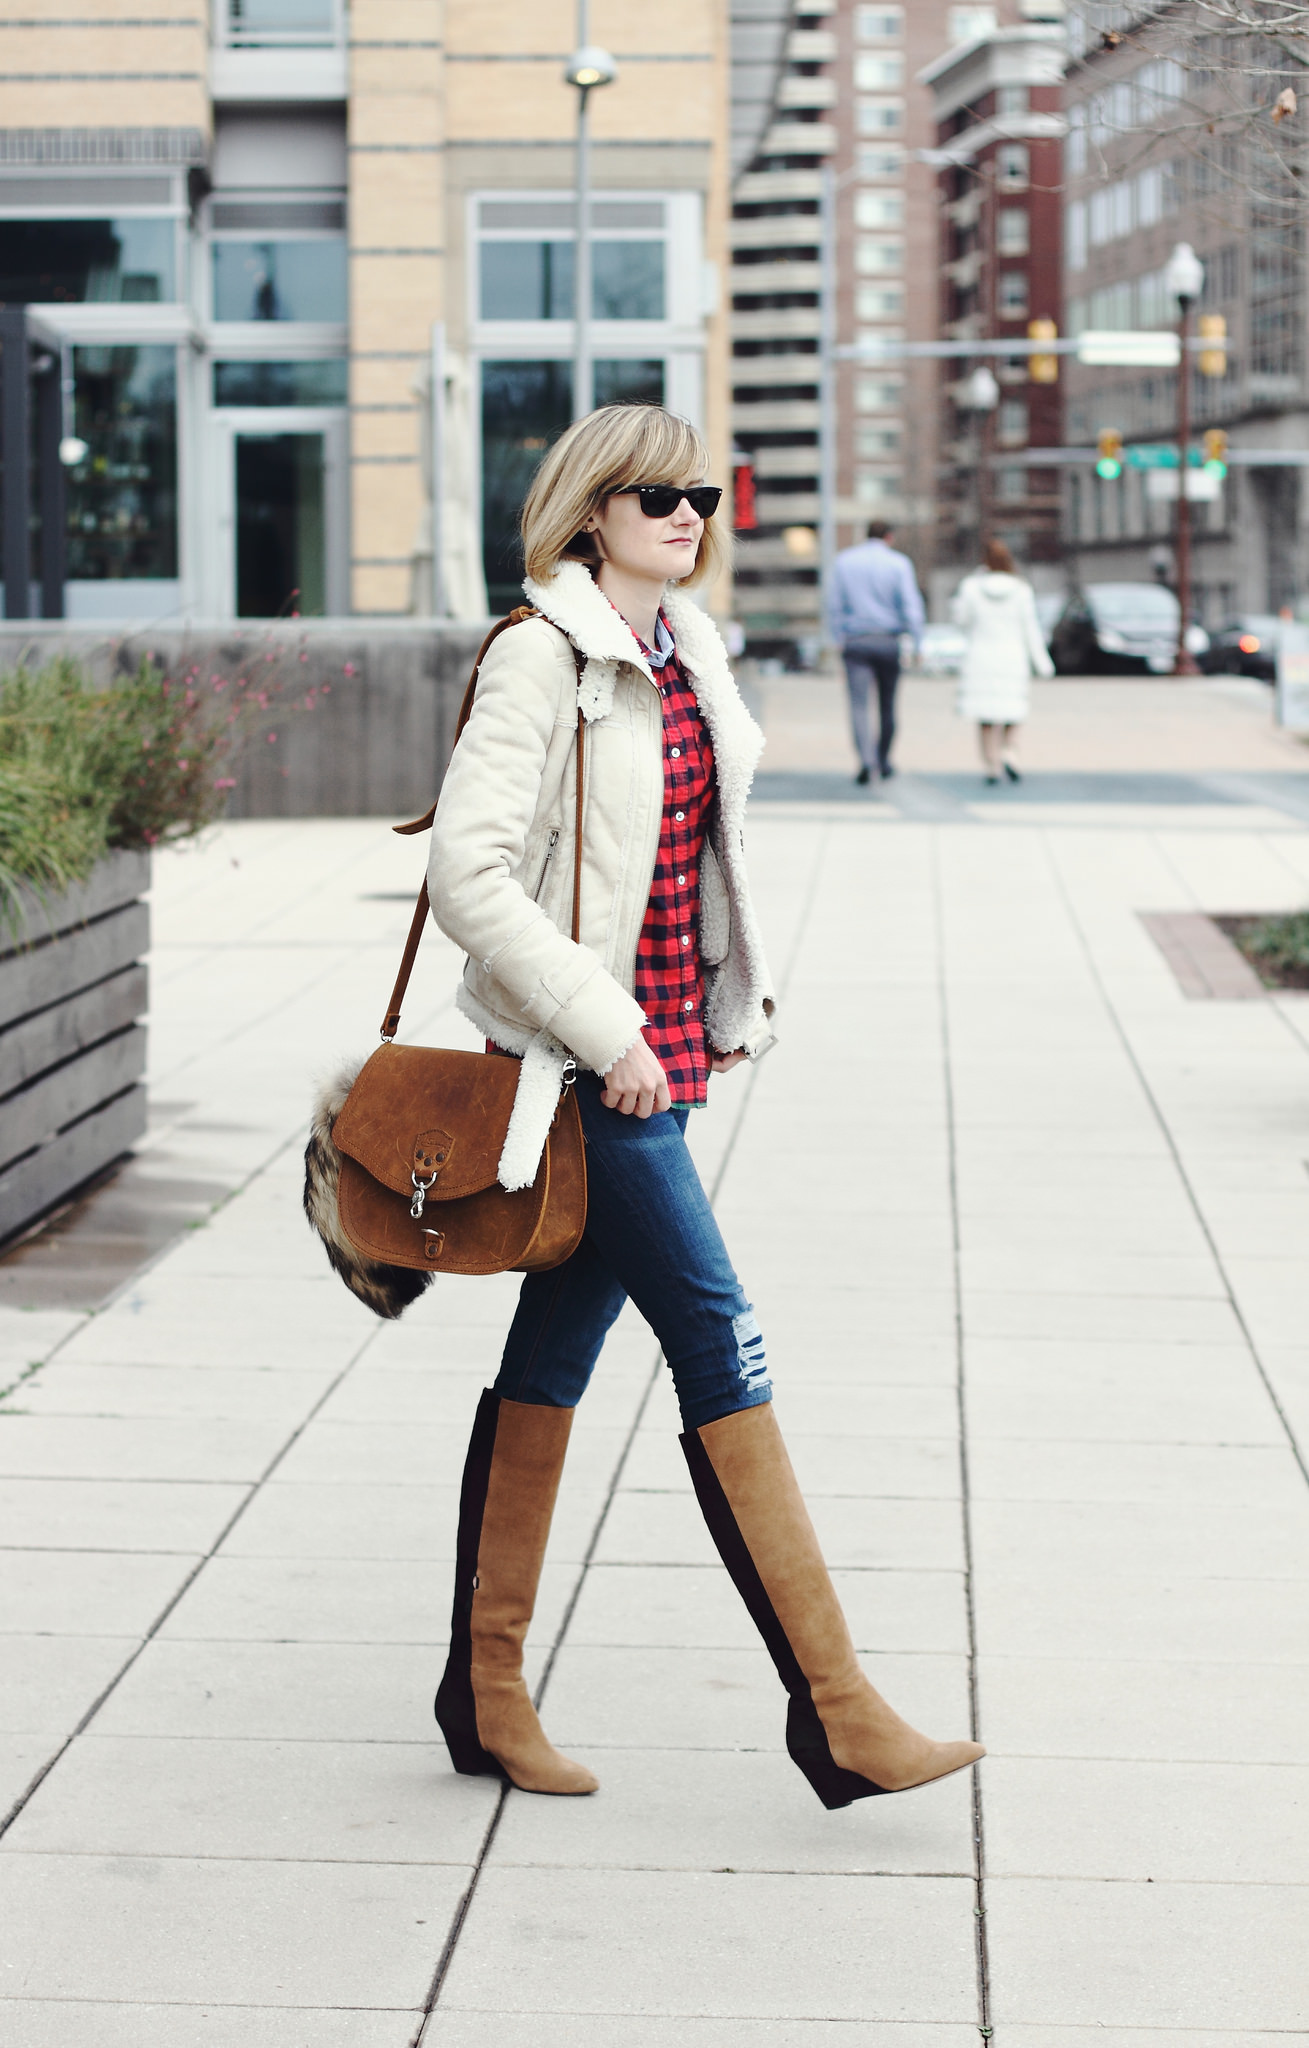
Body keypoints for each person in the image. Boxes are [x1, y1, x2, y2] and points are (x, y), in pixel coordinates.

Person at [424, 403, 984, 1809]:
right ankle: (837, 1710)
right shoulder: (543, 661)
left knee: (552, 1354)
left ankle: (481, 1692)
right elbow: (468, 876)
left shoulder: (685, 652)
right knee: (721, 1340)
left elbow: (687, 867)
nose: (689, 515)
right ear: (592, 508)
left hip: (665, 1058)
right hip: (592, 1069)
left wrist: (716, 1010)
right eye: (658, 494)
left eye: (705, 495)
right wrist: (611, 1029)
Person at [825, 520, 926, 784]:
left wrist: (837, 639)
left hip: (856, 642)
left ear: (865, 534)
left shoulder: (844, 562)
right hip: (888, 641)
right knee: (888, 705)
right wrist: (917, 642)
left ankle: (866, 762)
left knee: (859, 706)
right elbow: (911, 606)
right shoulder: (899, 564)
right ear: (889, 537)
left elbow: (834, 605)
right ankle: (884, 760)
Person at [952, 538, 1054, 784]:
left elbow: (960, 620)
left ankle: (991, 764)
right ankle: (1010, 751)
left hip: (981, 657)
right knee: (1013, 710)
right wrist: (1043, 663)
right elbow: (1030, 629)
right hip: (1012, 656)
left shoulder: (971, 587)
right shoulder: (1021, 590)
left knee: (986, 716)